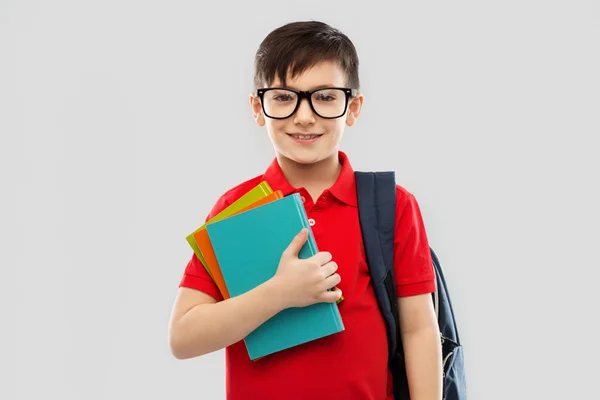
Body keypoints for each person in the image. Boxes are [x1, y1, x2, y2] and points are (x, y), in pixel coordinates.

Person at [168, 20, 442, 400]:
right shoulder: (237, 209)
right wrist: (279, 294)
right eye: (283, 97)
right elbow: (183, 337)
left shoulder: (392, 205)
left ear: (353, 107)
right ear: (257, 107)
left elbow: (419, 329)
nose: (304, 116)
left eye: (325, 96)